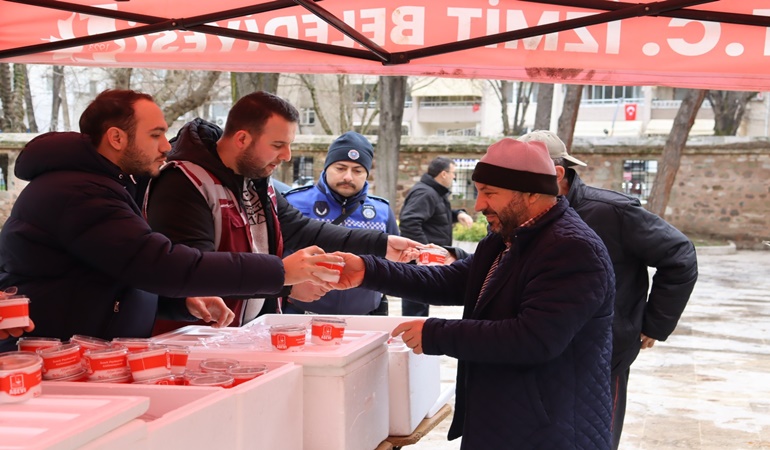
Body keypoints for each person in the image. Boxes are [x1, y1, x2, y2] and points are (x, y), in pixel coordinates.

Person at [0, 89, 344, 352]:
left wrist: (179, 303)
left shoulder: (112, 184)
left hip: (87, 355)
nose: (167, 145)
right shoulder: (79, 192)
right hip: (56, 358)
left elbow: (115, 273)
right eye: (155, 135)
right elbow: (160, 263)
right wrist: (281, 273)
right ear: (117, 138)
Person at [333, 138, 615, 449]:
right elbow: (451, 281)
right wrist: (369, 270)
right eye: (478, 191)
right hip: (506, 419)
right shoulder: (506, 238)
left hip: (550, 430)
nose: (479, 205)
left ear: (533, 193)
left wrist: (435, 333)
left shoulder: (572, 249)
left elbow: (533, 339)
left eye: (490, 193)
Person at [144, 92, 417, 331]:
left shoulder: (256, 179)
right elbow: (198, 273)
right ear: (242, 139)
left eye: (289, 144)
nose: (287, 155)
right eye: (277, 145)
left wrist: (382, 243)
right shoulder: (183, 183)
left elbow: (300, 229)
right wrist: (283, 277)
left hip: (242, 335)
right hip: (188, 342)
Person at [518, 130, 698, 449]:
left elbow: (680, 256)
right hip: (543, 347)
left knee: (593, 438)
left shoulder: (612, 211)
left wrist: (653, 323)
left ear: (558, 174)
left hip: (604, 353)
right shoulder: (527, 213)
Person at [283, 131, 398, 315]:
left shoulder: (382, 211)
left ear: (367, 174)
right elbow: (271, 254)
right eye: (341, 168)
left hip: (364, 319)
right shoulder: (294, 203)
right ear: (326, 167)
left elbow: (395, 265)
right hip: (301, 315)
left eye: (357, 170)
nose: (348, 177)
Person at [399, 156, 473, 316]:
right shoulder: (425, 193)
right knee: (416, 309)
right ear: (443, 174)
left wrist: (457, 214)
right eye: (453, 173)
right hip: (420, 263)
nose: (454, 177)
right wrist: (426, 253)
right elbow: (409, 222)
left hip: (425, 263)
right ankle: (410, 341)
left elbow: (436, 216)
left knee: (421, 304)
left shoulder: (434, 192)